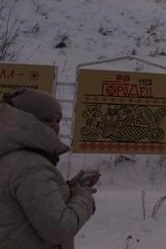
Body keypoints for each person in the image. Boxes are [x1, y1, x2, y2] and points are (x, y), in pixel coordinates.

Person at [0, 89, 97, 248]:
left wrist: (67, 189)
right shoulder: (30, 165)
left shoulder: (10, 153)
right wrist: (83, 197)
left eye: (58, 120)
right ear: (24, 119)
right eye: (46, 119)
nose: (55, 126)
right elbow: (60, 229)